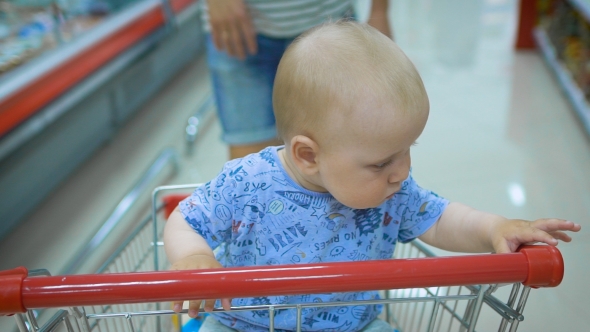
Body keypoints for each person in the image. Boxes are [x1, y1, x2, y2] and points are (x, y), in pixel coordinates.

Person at [165, 21, 581, 332]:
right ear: (308, 155)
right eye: (381, 162)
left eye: (408, 151)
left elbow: (439, 218)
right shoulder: (247, 181)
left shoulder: (391, 191)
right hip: (245, 325)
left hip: (355, 325)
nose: (401, 172)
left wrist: (496, 228)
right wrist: (194, 258)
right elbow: (187, 219)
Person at [202, 0, 392, 160]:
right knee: (251, 169)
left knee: (346, 158)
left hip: (329, 22)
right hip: (239, 27)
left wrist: (379, 11)